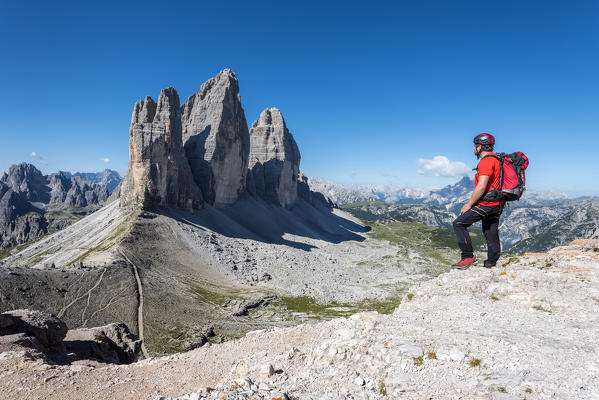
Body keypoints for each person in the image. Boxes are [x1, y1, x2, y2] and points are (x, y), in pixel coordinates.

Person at [451, 133, 504, 269]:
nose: (474, 148)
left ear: (479, 146)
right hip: (498, 203)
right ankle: (491, 263)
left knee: (459, 224)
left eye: (475, 146)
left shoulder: (486, 161)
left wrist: (469, 204)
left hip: (486, 204)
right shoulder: (497, 159)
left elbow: (481, 186)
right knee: (490, 231)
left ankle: (467, 257)